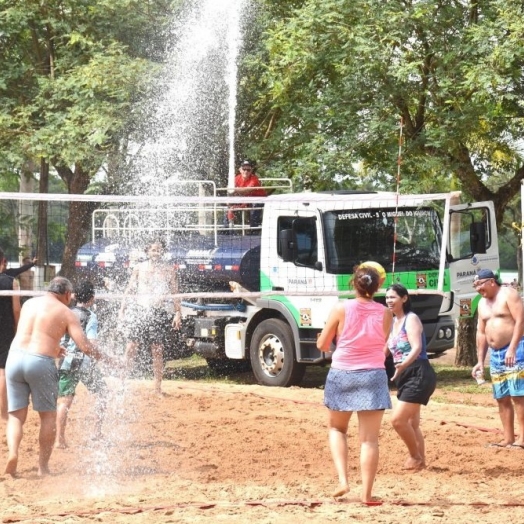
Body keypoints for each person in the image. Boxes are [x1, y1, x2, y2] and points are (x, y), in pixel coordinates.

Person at [4, 277, 111, 477]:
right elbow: (85, 346)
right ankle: (43, 468)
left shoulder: (29, 303)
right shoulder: (66, 313)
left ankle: (13, 453)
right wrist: (109, 360)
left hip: (15, 357)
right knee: (48, 416)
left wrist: (54, 347)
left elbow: (32, 335)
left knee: (16, 416)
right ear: (67, 294)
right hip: (39, 362)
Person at [317, 264, 393, 503]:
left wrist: (331, 338)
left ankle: (343, 481)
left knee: (337, 429)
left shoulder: (341, 309)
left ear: (354, 283)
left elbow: (322, 344)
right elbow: (383, 343)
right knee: (369, 440)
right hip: (373, 374)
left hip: (343, 373)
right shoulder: (386, 313)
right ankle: (367, 494)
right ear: (378, 285)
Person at [118, 238, 182, 396]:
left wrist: (178, 312)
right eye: (153, 249)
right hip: (140, 310)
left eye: (159, 250)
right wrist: (122, 309)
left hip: (157, 312)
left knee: (157, 350)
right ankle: (121, 385)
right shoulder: (139, 268)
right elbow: (130, 289)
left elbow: (175, 292)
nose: (156, 252)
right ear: (147, 251)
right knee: (131, 348)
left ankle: (157, 389)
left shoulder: (168, 269)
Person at [385, 283, 437, 470]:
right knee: (411, 423)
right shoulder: (392, 323)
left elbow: (417, 348)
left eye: (393, 297)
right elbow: (385, 351)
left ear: (404, 298)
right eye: (387, 297)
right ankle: (420, 462)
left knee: (397, 420)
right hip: (404, 375)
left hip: (418, 372)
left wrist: (403, 365)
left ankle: (414, 456)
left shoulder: (411, 319)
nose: (389, 301)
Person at [471, 268, 524, 449]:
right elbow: (481, 332)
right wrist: (480, 360)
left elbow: (520, 321)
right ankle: (508, 438)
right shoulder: (482, 304)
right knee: (501, 397)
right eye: (475, 285)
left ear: (491, 281)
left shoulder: (508, 294)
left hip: (515, 351)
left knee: (518, 395)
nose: (478, 289)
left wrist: (513, 347)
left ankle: (522, 439)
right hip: (496, 355)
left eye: (480, 284)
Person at [55, 281, 107, 449]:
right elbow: (91, 342)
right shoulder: (91, 316)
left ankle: (59, 439)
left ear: (74, 296)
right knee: (102, 394)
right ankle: (96, 433)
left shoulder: (66, 313)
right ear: (92, 299)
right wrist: (103, 356)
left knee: (64, 401)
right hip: (84, 362)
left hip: (65, 360)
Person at [0, 248, 21, 420]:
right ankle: (3, 414)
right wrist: (18, 330)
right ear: (3, 261)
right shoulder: (11, 282)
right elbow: (16, 310)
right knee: (2, 373)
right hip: (5, 330)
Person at [226, 160, 267, 229]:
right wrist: (229, 199)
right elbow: (229, 189)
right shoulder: (237, 178)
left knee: (255, 207)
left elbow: (245, 191)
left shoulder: (254, 179)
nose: (246, 171)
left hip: (258, 199)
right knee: (228, 208)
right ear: (240, 170)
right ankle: (225, 230)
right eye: (244, 169)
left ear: (251, 170)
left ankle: (254, 230)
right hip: (246, 199)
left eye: (248, 170)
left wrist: (233, 189)